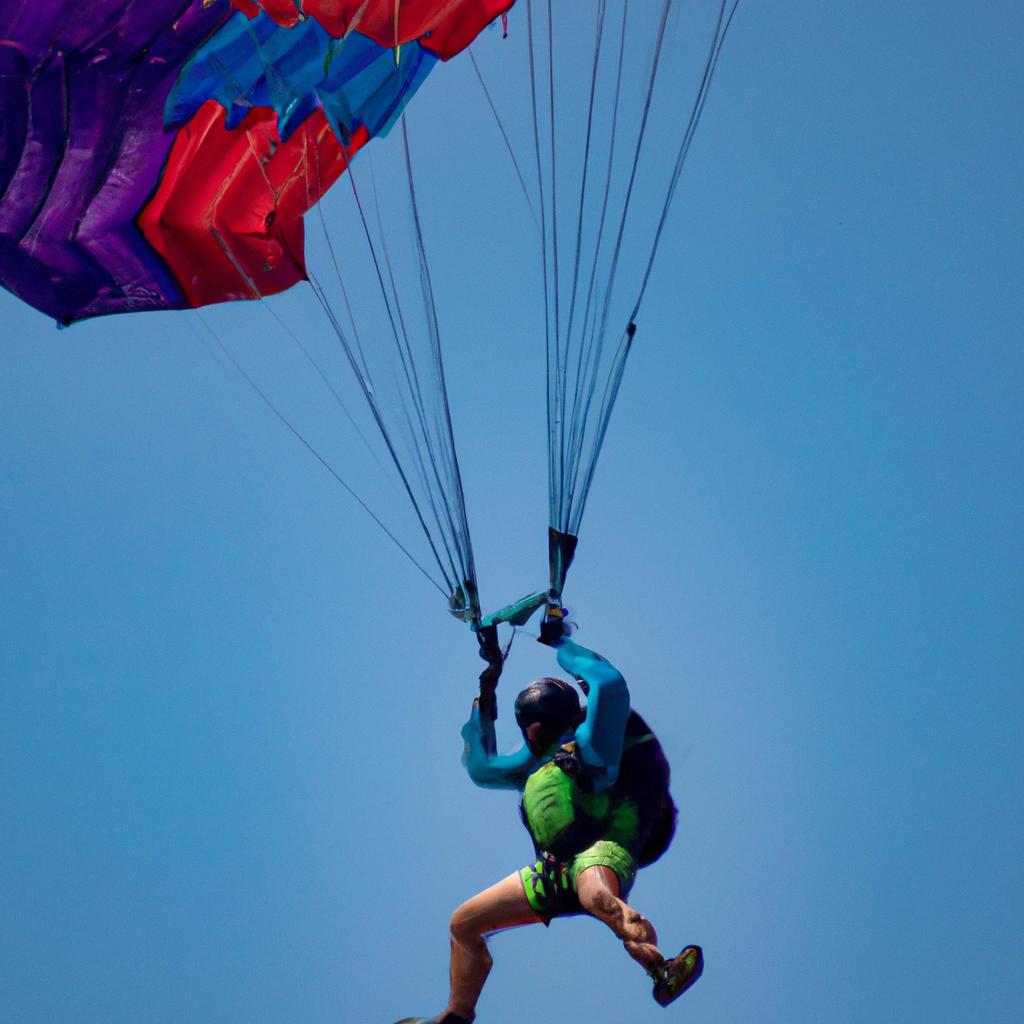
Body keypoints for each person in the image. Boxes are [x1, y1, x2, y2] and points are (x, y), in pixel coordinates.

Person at [396, 617, 701, 1024]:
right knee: (464, 923)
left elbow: (608, 686)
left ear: (536, 728)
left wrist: (563, 644)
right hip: (552, 871)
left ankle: (659, 967)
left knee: (597, 896)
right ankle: (456, 1014)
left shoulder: (596, 744)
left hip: (602, 849)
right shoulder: (537, 763)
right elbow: (482, 767)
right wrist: (485, 696)